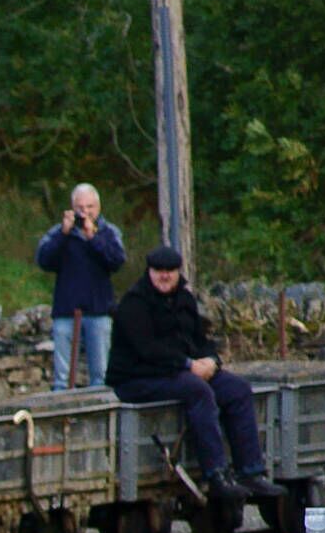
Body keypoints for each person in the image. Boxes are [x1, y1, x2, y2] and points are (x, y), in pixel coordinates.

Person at [110, 243, 280, 511]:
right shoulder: (134, 304)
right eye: (158, 271)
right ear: (149, 272)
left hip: (179, 371)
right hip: (138, 377)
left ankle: (251, 471)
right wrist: (189, 365)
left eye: (170, 271)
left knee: (237, 389)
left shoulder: (184, 300)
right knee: (197, 390)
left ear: (178, 272)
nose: (164, 276)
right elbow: (147, 349)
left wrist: (211, 360)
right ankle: (216, 474)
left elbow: (200, 339)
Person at [36, 185, 129, 391]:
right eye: (80, 207)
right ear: (72, 208)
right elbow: (44, 260)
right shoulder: (59, 232)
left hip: (98, 311)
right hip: (66, 311)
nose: (85, 212)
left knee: (100, 375)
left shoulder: (108, 232)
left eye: (90, 207)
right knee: (62, 377)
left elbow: (117, 261)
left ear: (98, 207)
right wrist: (63, 234)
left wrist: (93, 237)